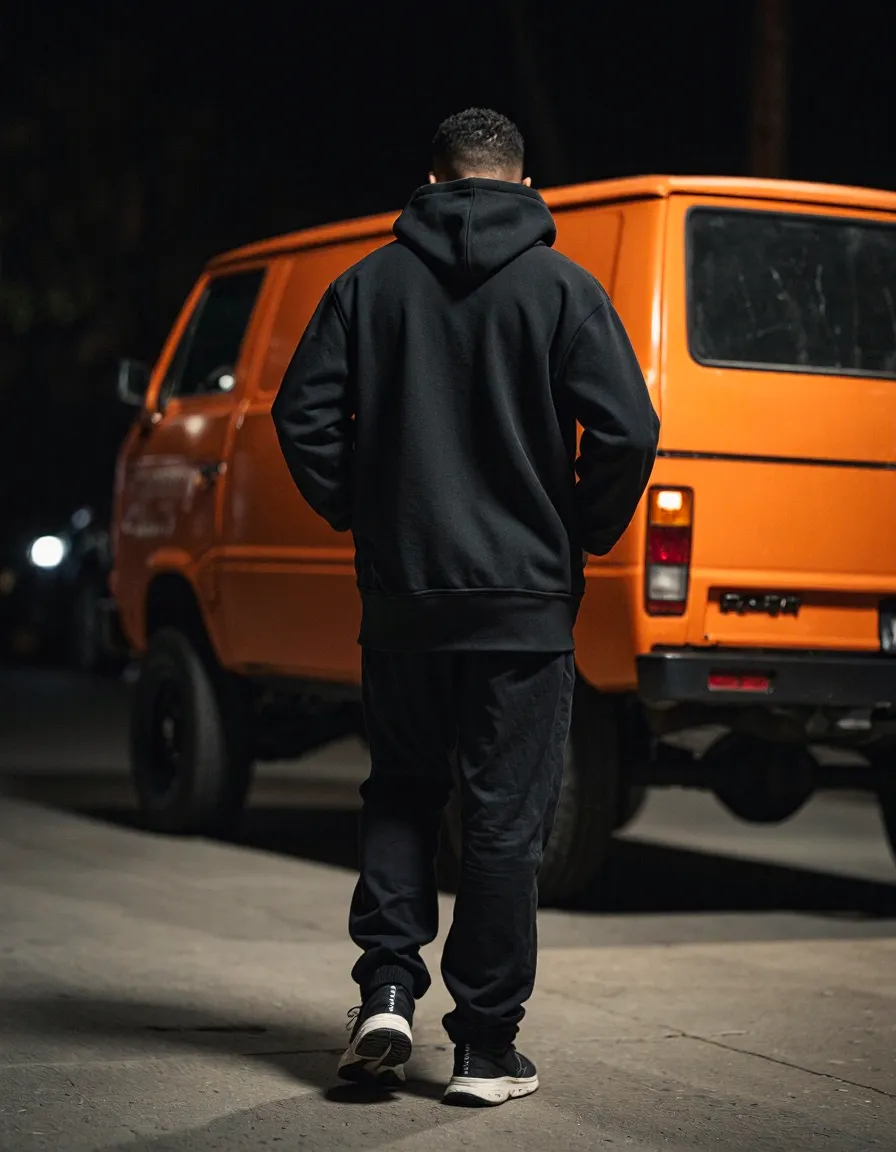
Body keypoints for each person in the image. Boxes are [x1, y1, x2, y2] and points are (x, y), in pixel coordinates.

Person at [272, 107, 659, 1106]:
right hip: (522, 605)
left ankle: (386, 991)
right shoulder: (564, 290)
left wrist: (360, 508)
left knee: (400, 788)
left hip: (404, 595)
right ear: (525, 189)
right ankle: (484, 1048)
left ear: (431, 183)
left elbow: (300, 412)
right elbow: (626, 430)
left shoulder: (365, 285)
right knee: (500, 821)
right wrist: (574, 531)